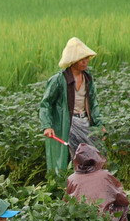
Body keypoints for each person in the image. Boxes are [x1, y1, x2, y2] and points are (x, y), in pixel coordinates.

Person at [39, 37, 102, 172]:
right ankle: (67, 187)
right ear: (73, 61)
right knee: (70, 158)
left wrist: (98, 125)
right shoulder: (58, 80)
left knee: (91, 155)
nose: (85, 62)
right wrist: (47, 126)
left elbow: (93, 103)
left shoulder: (88, 79)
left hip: (84, 121)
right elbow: (46, 104)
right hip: (67, 123)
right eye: (81, 59)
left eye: (86, 58)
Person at [66, 143, 130, 221]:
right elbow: (123, 199)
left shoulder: (72, 178)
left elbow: (66, 201)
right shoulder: (104, 175)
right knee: (123, 207)